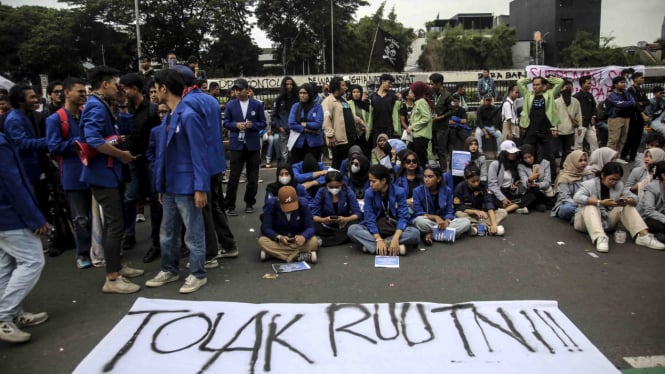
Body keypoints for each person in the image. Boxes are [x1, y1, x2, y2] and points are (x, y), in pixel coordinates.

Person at [79, 66, 143, 294]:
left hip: (108, 173)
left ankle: (116, 265)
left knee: (116, 222)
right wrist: (121, 155)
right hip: (102, 175)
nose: (118, 88)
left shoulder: (103, 104)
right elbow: (94, 140)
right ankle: (112, 277)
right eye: (115, 84)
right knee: (115, 224)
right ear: (105, 84)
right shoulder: (96, 106)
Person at [145, 69, 209, 294]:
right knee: (167, 231)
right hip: (169, 185)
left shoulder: (189, 116)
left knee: (193, 231)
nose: (153, 93)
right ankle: (169, 269)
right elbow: (162, 155)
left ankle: (198, 273)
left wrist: (201, 187)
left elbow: (199, 154)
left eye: (156, 88)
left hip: (187, 185)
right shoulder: (168, 117)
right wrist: (160, 185)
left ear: (164, 88)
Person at [0, 131, 51, 343]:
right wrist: (35, 218)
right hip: (11, 215)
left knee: (7, 265)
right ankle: (4, 316)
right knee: (33, 261)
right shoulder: (1, 144)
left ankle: (13, 314)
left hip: (5, 216)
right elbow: (12, 183)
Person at [45, 77, 92, 269]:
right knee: (80, 217)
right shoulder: (55, 119)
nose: (83, 95)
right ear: (67, 93)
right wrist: (79, 143)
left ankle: (98, 249)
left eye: (84, 91)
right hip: (73, 176)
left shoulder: (86, 114)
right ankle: (83, 253)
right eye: (79, 91)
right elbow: (54, 147)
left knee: (97, 217)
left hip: (93, 173)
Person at [573, 162, 665, 252]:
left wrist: (629, 200)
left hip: (606, 221)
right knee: (591, 206)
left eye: (617, 180)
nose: (614, 182)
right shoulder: (590, 184)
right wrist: (600, 202)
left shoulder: (619, 185)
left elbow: (635, 198)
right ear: (603, 175)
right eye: (611, 179)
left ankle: (643, 236)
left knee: (625, 206)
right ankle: (600, 237)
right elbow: (577, 197)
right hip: (584, 222)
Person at [118, 73, 161, 253]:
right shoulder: (124, 109)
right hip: (131, 160)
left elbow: (156, 137)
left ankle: (156, 241)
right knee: (129, 198)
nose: (122, 92)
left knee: (155, 200)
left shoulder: (152, 109)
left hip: (148, 159)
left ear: (134, 88)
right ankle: (129, 234)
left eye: (125, 89)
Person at [347, 164, 421, 255]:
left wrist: (395, 238)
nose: (371, 184)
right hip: (375, 230)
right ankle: (390, 247)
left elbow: (403, 217)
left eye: (373, 181)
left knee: (415, 233)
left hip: (394, 228)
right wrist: (378, 238)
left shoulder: (399, 192)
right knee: (352, 229)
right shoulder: (369, 193)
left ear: (383, 180)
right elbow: (369, 217)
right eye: (370, 181)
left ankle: (376, 247)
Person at [223, 78, 266, 216]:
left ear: (248, 90)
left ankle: (249, 202)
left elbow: (263, 123)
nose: (238, 92)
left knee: (253, 177)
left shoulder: (257, 105)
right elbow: (226, 123)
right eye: (236, 89)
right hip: (237, 144)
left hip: (252, 144)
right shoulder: (230, 105)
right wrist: (235, 125)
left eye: (240, 89)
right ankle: (230, 205)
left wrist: (252, 125)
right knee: (234, 177)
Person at [517, 75, 564, 178]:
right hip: (531, 130)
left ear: (543, 86)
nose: (534, 87)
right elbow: (520, 82)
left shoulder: (550, 94)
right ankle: (528, 177)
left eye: (537, 84)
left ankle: (552, 178)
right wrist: (532, 78)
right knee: (527, 153)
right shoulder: (528, 95)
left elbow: (560, 82)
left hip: (545, 130)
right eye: (533, 85)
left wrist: (547, 79)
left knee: (549, 155)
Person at [411, 165, 471, 245]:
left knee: (466, 222)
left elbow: (450, 211)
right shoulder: (417, 191)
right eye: (425, 176)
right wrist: (436, 217)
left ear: (438, 179)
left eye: (430, 177)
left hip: (443, 222)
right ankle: (447, 234)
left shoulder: (447, 190)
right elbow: (418, 212)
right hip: (429, 221)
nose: (426, 179)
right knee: (418, 221)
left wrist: (447, 221)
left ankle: (432, 234)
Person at [258, 186, 319, 263]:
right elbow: (266, 228)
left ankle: (275, 255)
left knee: (314, 241)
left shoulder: (303, 203)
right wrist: (278, 237)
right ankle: (298, 256)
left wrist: (304, 236)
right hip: (280, 239)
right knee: (262, 241)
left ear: (297, 198)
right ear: (279, 201)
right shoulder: (271, 204)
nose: (290, 210)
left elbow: (310, 227)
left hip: (298, 238)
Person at [310, 170, 362, 247]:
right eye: (331, 187)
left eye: (337, 186)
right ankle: (342, 239)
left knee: (355, 224)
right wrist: (324, 220)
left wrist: (346, 219)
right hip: (326, 224)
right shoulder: (321, 192)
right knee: (312, 225)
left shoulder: (348, 191)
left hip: (344, 224)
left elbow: (357, 213)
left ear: (341, 183)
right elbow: (314, 215)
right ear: (326, 184)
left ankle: (323, 241)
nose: (334, 189)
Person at [454, 164, 506, 236]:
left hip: (482, 215)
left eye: (478, 180)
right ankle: (483, 227)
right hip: (469, 214)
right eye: (473, 181)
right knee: (458, 213)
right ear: (465, 179)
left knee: (503, 212)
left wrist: (494, 224)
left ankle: (477, 227)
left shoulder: (483, 185)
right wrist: (475, 211)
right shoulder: (459, 187)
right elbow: (458, 207)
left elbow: (489, 203)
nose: (476, 184)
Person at [323, 76, 358, 170]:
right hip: (339, 140)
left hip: (350, 138)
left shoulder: (343, 100)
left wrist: (359, 121)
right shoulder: (328, 101)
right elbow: (326, 120)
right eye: (343, 85)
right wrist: (330, 135)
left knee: (349, 165)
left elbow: (348, 114)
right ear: (336, 86)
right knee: (337, 165)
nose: (345, 87)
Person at [488, 140, 530, 214]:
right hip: (497, 193)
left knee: (530, 196)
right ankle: (514, 207)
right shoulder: (495, 164)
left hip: (509, 193)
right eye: (511, 152)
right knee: (492, 200)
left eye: (515, 152)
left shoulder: (514, 165)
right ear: (504, 153)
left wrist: (513, 189)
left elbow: (511, 186)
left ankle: (505, 210)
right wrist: (503, 198)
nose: (514, 154)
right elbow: (492, 185)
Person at [551, 150, 593, 222]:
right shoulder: (564, 177)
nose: (583, 163)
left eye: (585, 160)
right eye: (580, 160)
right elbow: (565, 197)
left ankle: (580, 217)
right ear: (573, 161)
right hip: (570, 204)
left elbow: (592, 192)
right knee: (566, 210)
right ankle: (585, 215)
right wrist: (579, 204)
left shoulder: (588, 174)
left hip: (586, 203)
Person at [288, 83, 323, 163]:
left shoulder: (317, 107)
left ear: (310, 94)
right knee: (296, 167)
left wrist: (305, 124)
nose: (302, 95)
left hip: (314, 144)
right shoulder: (295, 106)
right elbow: (291, 123)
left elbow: (318, 124)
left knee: (313, 167)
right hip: (298, 143)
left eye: (305, 93)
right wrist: (307, 130)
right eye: (300, 93)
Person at [605, 76, 636, 163]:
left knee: (622, 139)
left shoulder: (626, 93)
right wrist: (627, 103)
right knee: (613, 139)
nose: (623, 84)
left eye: (624, 82)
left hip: (626, 118)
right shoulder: (611, 94)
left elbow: (633, 102)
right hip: (616, 118)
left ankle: (617, 156)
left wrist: (626, 103)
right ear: (615, 84)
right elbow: (618, 104)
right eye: (621, 82)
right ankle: (608, 158)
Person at [622, 72, 650, 163]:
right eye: (641, 78)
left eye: (643, 78)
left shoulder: (641, 90)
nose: (643, 79)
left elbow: (647, 101)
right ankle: (624, 154)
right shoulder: (631, 90)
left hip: (640, 118)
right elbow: (634, 104)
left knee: (638, 136)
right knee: (631, 136)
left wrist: (641, 103)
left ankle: (633, 155)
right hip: (633, 117)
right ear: (635, 79)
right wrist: (640, 104)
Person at [517, 144, 553, 212]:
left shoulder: (545, 163)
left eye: (530, 157)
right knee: (532, 191)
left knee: (536, 191)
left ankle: (531, 205)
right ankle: (537, 205)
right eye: (525, 158)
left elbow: (547, 182)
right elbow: (524, 181)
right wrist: (530, 179)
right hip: (529, 190)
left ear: (534, 155)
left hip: (542, 190)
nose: (528, 160)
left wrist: (538, 185)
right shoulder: (521, 166)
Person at [554, 79, 581, 168]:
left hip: (570, 131)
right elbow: (553, 117)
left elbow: (579, 115)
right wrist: (554, 129)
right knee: (555, 151)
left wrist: (580, 127)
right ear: (561, 89)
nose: (568, 90)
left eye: (570, 88)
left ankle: (563, 167)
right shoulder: (556, 102)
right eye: (566, 88)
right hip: (558, 131)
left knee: (567, 150)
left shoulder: (576, 102)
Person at [429, 73, 454, 170]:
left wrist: (441, 117)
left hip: (442, 127)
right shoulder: (432, 93)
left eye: (433, 84)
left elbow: (452, 110)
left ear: (439, 83)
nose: (431, 86)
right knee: (433, 149)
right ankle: (435, 169)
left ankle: (444, 170)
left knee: (441, 150)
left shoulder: (448, 96)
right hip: (432, 126)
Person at [271, 77, 298, 164]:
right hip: (283, 130)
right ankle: (286, 171)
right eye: (287, 84)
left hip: (295, 130)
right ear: (284, 85)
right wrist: (279, 127)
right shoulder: (279, 99)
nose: (289, 86)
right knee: (284, 154)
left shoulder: (297, 99)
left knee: (295, 152)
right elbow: (274, 116)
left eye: (291, 84)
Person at [368, 73, 400, 143]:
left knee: (388, 148)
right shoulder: (372, 96)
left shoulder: (392, 96)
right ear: (383, 81)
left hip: (388, 128)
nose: (390, 85)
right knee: (376, 150)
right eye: (389, 82)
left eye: (391, 83)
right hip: (376, 128)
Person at [407, 81, 433, 166]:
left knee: (421, 160)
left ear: (417, 91)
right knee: (413, 157)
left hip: (421, 135)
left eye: (411, 91)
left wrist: (413, 127)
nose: (409, 93)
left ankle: (424, 176)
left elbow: (427, 118)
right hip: (417, 135)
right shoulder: (418, 102)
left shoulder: (421, 101)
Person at [638, 161, 665, 238]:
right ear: (663, 175)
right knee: (654, 224)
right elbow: (649, 211)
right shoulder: (652, 187)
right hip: (647, 217)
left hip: (660, 216)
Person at [573, 75, 599, 153]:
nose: (590, 85)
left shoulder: (590, 95)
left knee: (594, 141)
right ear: (582, 84)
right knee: (578, 143)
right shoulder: (576, 96)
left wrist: (594, 116)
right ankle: (578, 160)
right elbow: (573, 111)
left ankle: (596, 160)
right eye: (588, 83)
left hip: (589, 124)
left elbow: (594, 107)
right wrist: (578, 118)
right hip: (580, 124)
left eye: (590, 83)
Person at [348, 84, 370, 156]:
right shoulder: (348, 103)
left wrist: (366, 127)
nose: (356, 94)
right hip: (353, 132)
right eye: (354, 92)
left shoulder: (365, 104)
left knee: (364, 152)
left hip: (364, 132)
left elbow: (369, 117)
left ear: (361, 93)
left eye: (358, 92)